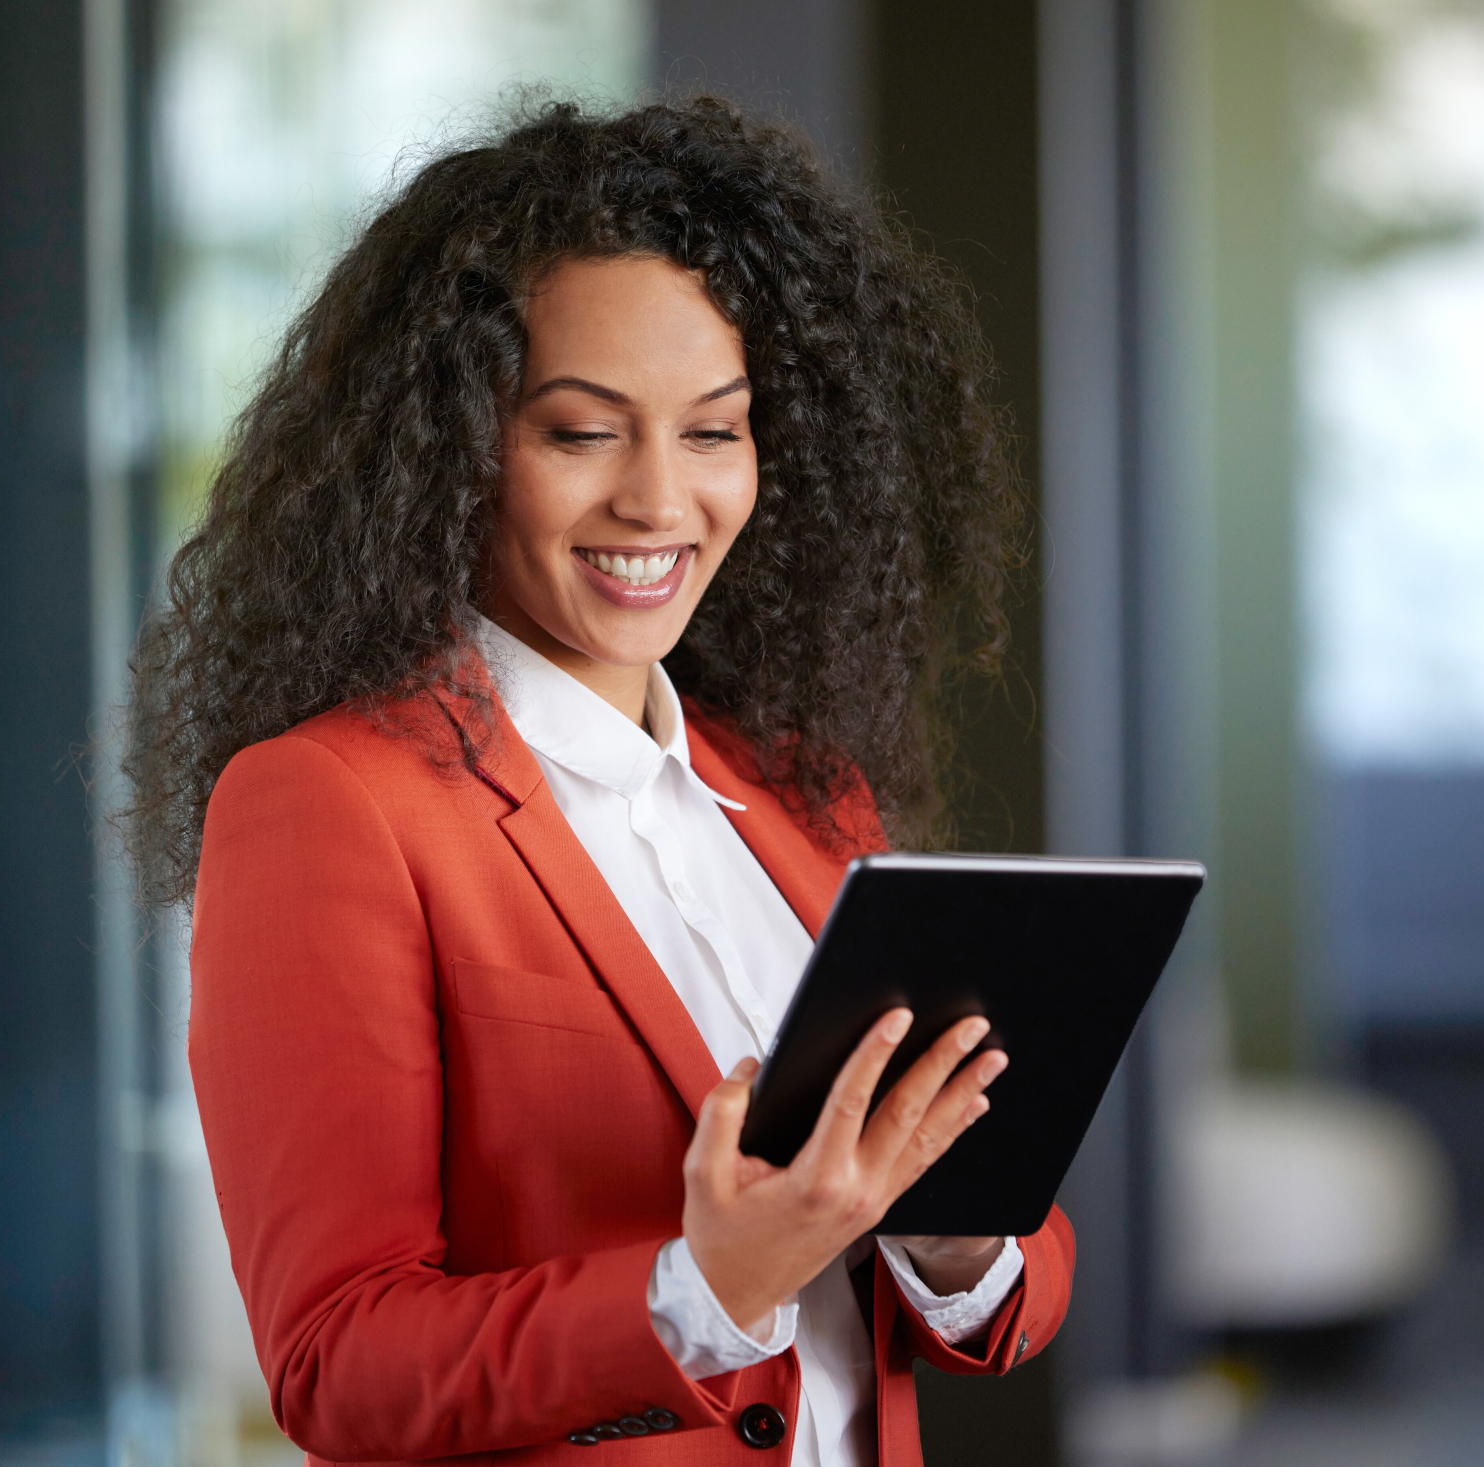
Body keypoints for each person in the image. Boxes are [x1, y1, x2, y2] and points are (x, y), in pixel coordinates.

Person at [124, 97, 1075, 1466]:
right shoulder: (329, 804)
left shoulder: (803, 792)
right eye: (582, 433)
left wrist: (951, 1231)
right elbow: (339, 1366)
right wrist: (706, 1291)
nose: (657, 501)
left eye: (713, 431)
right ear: (451, 449)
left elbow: (1015, 1288)